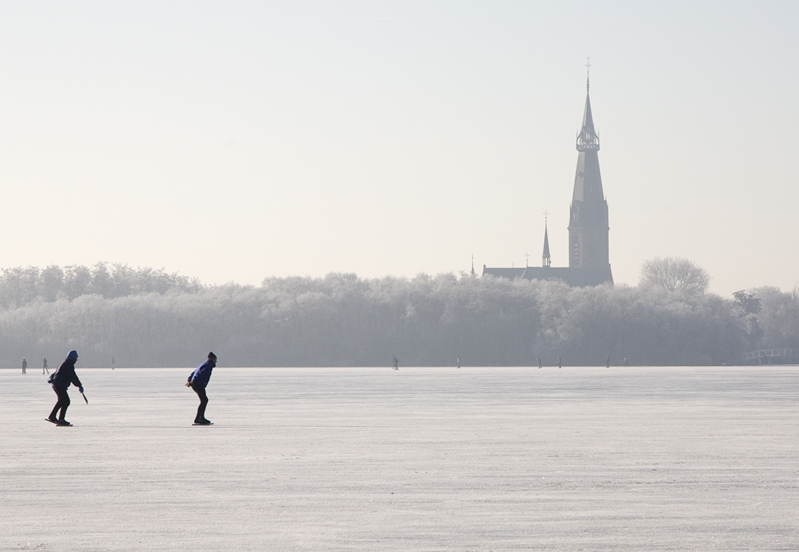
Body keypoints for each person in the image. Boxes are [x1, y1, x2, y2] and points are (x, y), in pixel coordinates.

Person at [47, 350, 83, 426]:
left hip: (57, 384)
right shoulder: (68, 364)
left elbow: (57, 372)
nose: (76, 360)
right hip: (59, 385)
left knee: (63, 401)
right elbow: (73, 376)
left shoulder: (65, 362)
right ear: (73, 358)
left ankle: (55, 417)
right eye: (76, 358)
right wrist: (79, 385)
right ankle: (59, 418)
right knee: (65, 401)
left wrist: (51, 378)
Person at [186, 352, 216, 425]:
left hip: (196, 383)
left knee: (204, 400)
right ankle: (199, 418)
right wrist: (193, 381)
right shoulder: (208, 365)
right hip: (198, 384)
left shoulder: (204, 364)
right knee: (204, 400)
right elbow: (199, 373)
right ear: (213, 359)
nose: (216, 362)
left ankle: (200, 417)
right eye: (215, 360)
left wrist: (190, 380)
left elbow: (195, 372)